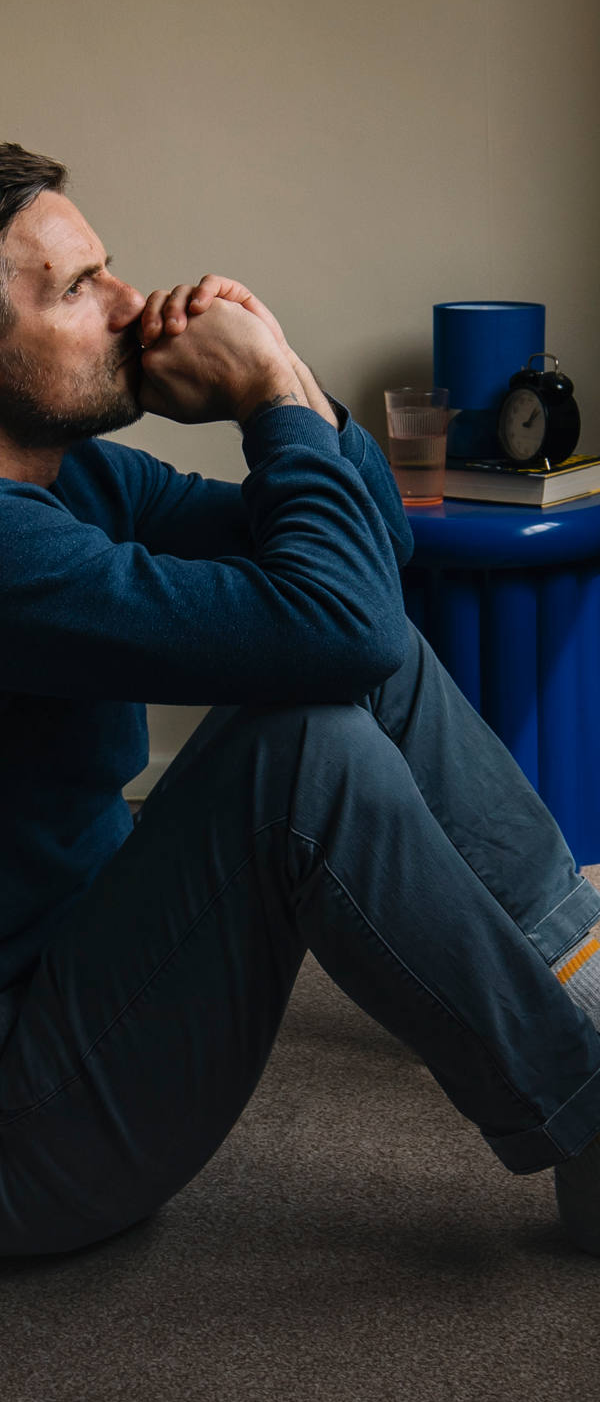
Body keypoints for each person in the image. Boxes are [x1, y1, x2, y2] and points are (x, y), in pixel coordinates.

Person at [0, 141, 598, 1261]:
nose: (132, 305)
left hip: (81, 979)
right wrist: (267, 395)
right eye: (77, 290)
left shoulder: (69, 474)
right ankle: (589, 1117)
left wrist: (286, 377)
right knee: (305, 744)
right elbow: (340, 621)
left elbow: (360, 568)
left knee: (355, 652)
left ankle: (587, 975)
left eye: (107, 267)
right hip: (26, 1131)